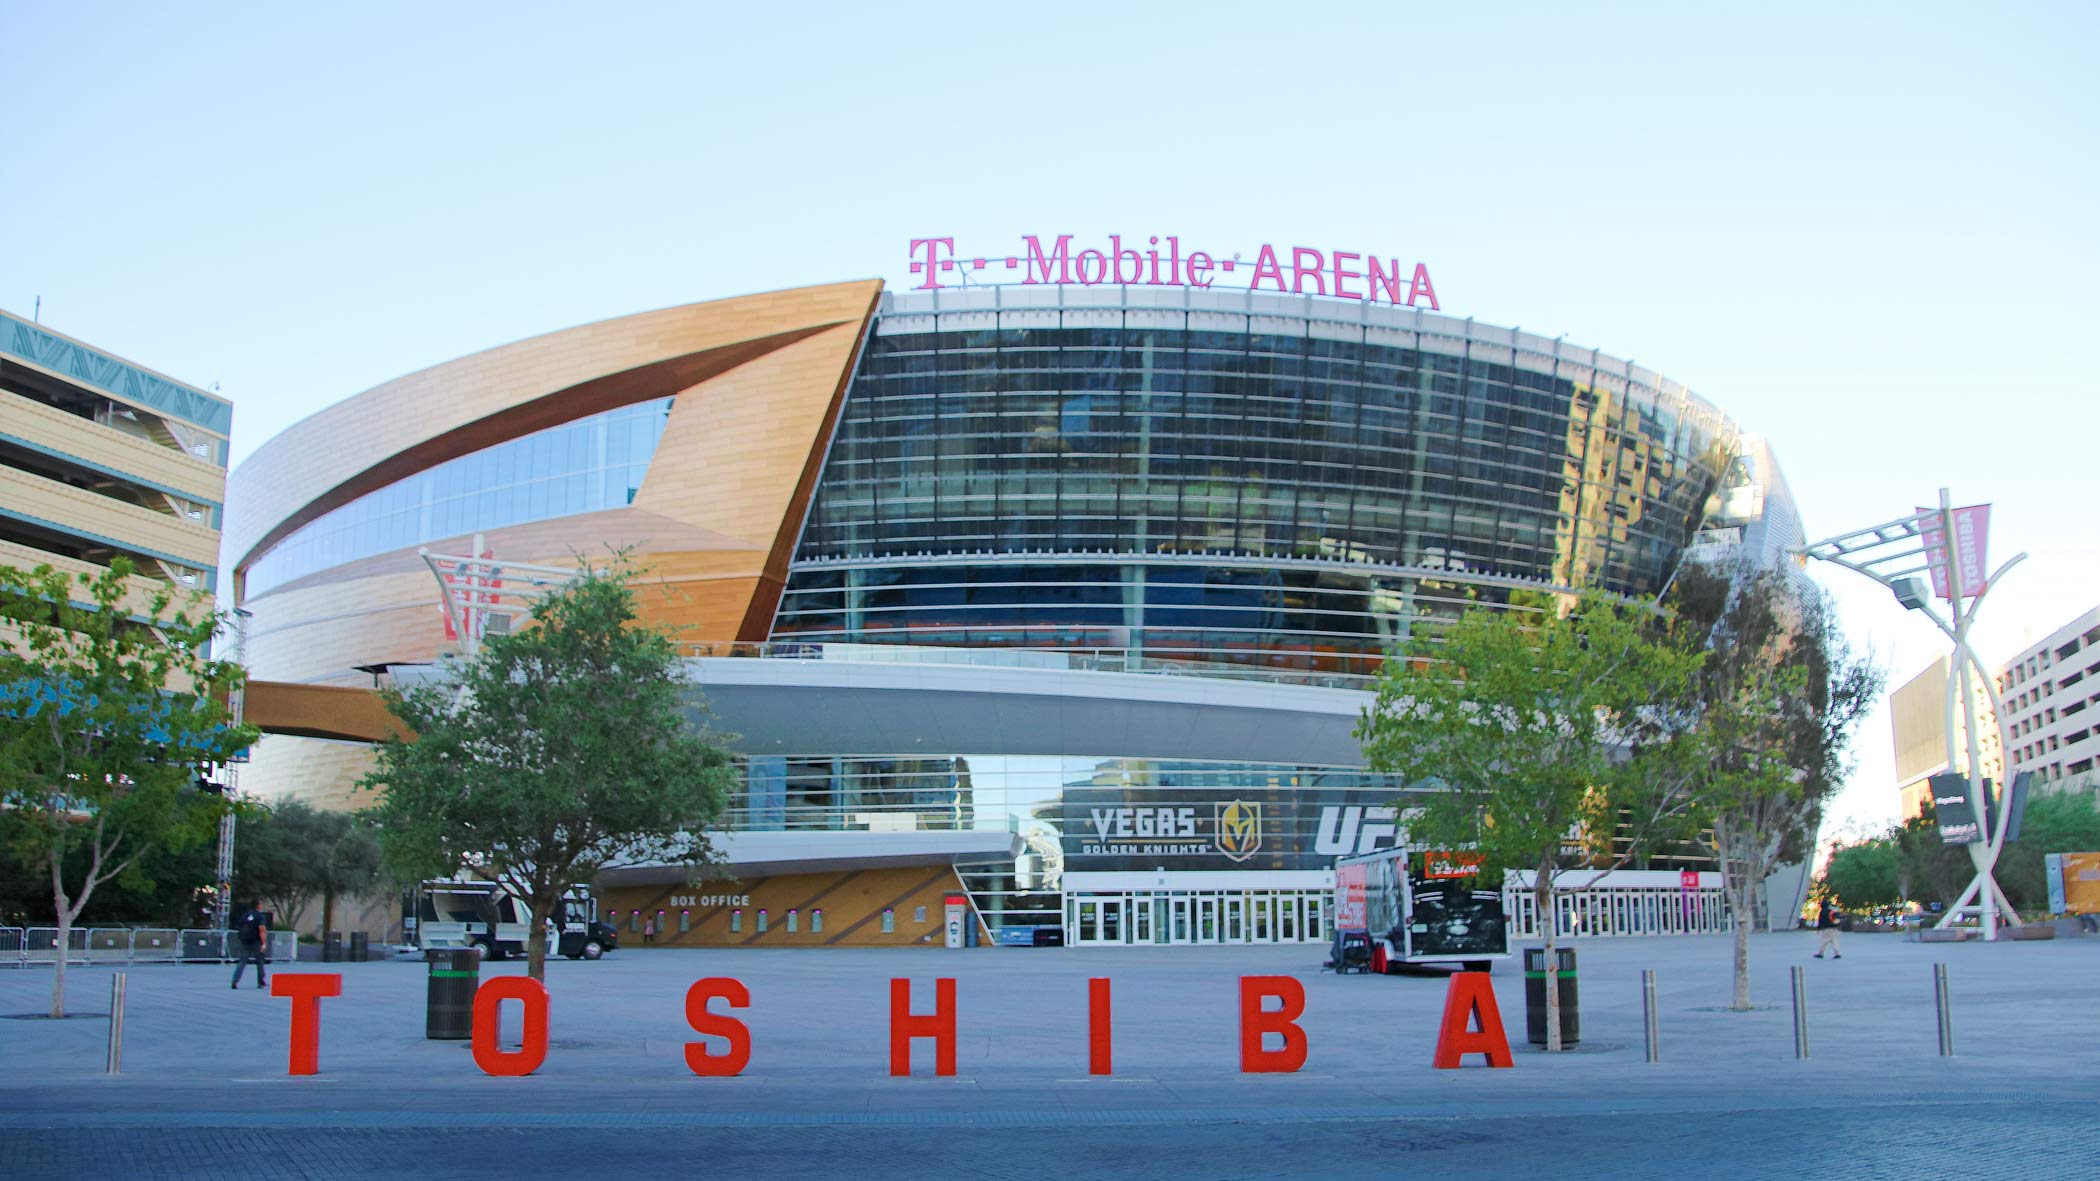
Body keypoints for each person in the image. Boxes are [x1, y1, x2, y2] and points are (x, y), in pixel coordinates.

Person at [231, 902, 270, 989]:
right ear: (258, 905)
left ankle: (235, 981)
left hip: (245, 942)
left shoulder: (245, 915)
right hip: (256, 942)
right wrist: (264, 943)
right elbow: (262, 930)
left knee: (242, 962)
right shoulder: (260, 916)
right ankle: (261, 982)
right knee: (260, 962)